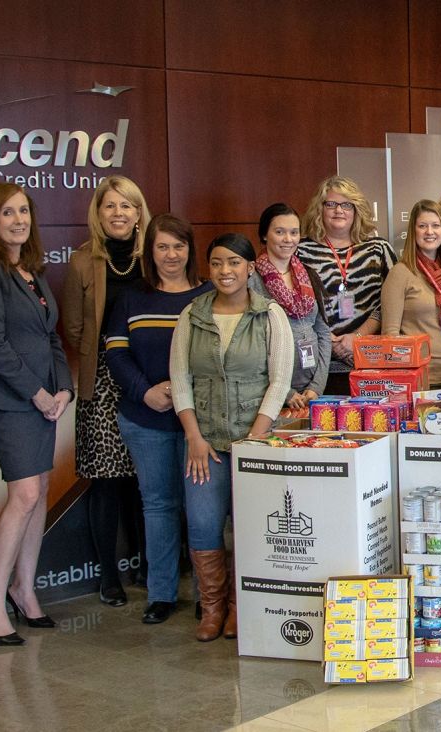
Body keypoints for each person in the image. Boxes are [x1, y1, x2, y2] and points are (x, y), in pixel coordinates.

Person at [0, 183, 71, 644]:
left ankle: (25, 591)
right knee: (24, 494)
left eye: (24, 211)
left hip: (44, 401)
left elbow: (50, 336)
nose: (18, 220)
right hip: (8, 402)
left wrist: (62, 387)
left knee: (39, 491)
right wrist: (38, 394)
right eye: (8, 213)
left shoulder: (30, 271)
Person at [171, 233, 295, 642]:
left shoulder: (270, 314)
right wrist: (193, 436)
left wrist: (253, 440)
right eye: (218, 263)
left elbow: (279, 383)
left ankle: (240, 609)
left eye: (234, 263)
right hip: (204, 446)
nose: (226, 271)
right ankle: (211, 610)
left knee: (248, 528)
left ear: (250, 268)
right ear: (208, 269)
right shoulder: (192, 315)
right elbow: (180, 380)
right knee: (204, 526)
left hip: (253, 444)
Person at [104, 213, 210, 626]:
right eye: (162, 246)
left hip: (199, 423)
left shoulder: (207, 295)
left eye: (178, 246)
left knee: (202, 511)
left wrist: (184, 393)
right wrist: (146, 391)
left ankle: (209, 596)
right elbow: (116, 353)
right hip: (146, 418)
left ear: (190, 250)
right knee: (159, 506)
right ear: (150, 251)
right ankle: (162, 594)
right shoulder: (132, 298)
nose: (171, 254)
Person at [58, 175, 149, 608]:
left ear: (138, 213)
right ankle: (109, 576)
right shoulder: (81, 262)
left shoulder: (154, 255)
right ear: (98, 213)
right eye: (110, 206)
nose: (118, 213)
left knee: (149, 479)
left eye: (126, 206)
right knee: (107, 483)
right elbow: (75, 327)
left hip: (151, 380)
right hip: (104, 383)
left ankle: (152, 566)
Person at [296, 176, 395, 395]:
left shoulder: (378, 249)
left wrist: (358, 337)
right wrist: (325, 337)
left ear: (357, 210)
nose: (338, 210)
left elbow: (392, 304)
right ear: (319, 209)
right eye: (331, 204)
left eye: (346, 204)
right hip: (318, 365)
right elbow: (295, 304)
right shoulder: (301, 250)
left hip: (370, 362)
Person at [381, 200, 441, 388]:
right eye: (422, 226)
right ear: (413, 231)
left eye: (435, 226)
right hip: (424, 380)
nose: (429, 232)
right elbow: (390, 336)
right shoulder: (400, 273)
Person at [252, 203, 330, 411]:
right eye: (280, 232)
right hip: (270, 394)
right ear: (265, 235)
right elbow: (253, 345)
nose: (288, 239)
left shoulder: (308, 274)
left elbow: (322, 332)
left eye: (294, 232)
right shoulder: (253, 281)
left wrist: (317, 387)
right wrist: (284, 392)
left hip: (310, 392)